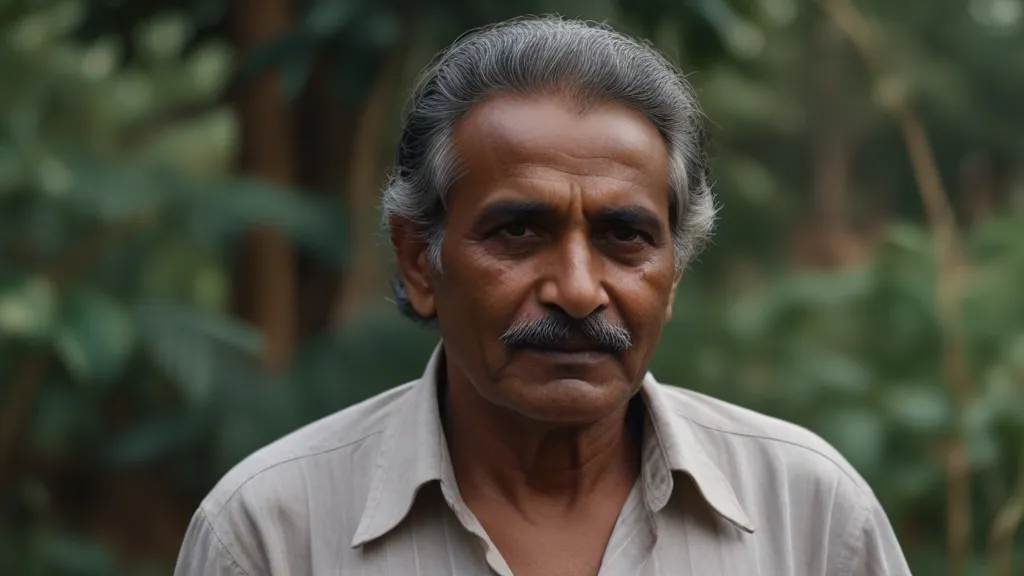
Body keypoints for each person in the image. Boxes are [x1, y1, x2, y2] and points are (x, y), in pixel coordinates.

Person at [174, 15, 910, 576]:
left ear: (674, 273)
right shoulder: (273, 533)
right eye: (519, 231)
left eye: (626, 236)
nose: (580, 291)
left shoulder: (808, 514)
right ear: (419, 261)